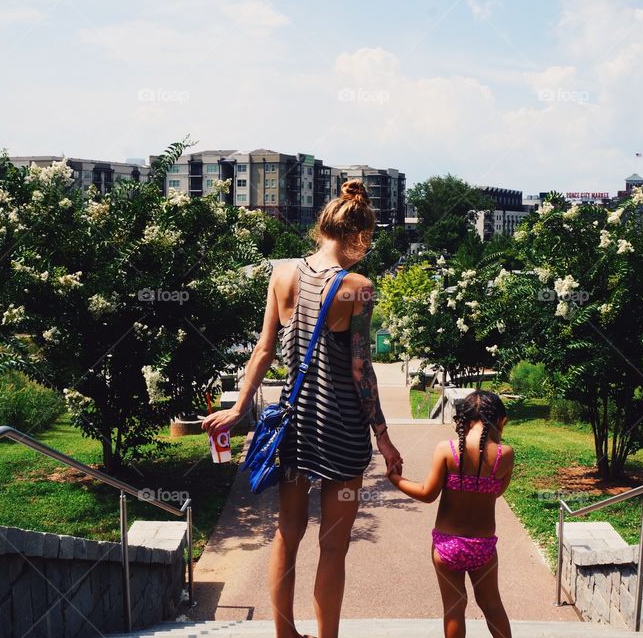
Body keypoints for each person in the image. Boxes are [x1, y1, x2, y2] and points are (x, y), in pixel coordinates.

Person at [203, 179, 403, 638]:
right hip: (343, 428)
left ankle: (286, 634)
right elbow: (360, 370)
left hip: (296, 425)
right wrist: (384, 438)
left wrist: (237, 409)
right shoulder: (358, 287)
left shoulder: (282, 274)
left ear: (322, 227)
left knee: (286, 535)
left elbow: (263, 350)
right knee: (332, 547)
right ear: (359, 236)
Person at [388, 390, 514, 638]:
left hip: (447, 545)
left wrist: (395, 478)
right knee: (492, 605)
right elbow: (497, 492)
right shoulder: (505, 455)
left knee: (454, 608)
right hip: (483, 547)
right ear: (501, 420)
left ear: (462, 420)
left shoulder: (447, 450)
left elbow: (427, 493)